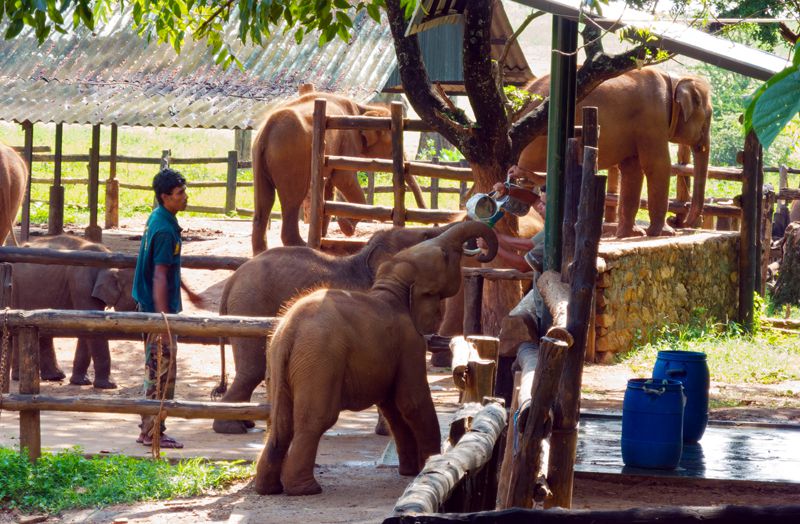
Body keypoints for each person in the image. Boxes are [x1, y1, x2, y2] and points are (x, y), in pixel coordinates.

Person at [132, 168, 191, 449]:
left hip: (149, 307)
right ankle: (153, 432)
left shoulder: (158, 218)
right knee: (161, 373)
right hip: (159, 313)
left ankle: (149, 428)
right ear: (165, 197)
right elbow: (159, 275)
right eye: (180, 194)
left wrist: (189, 291)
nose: (185, 197)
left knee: (154, 369)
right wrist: (164, 321)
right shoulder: (166, 230)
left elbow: (168, 270)